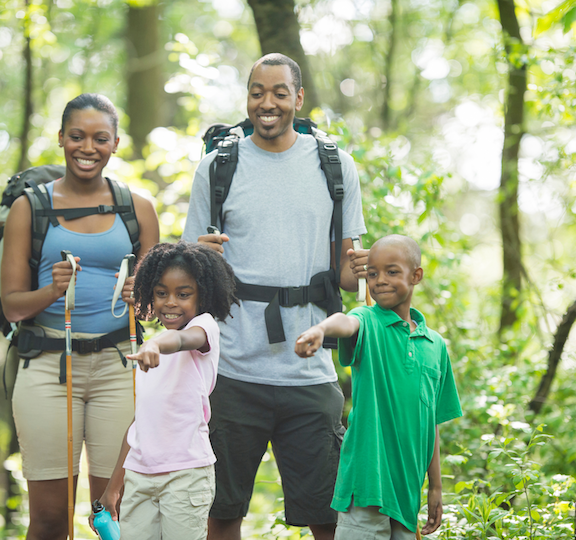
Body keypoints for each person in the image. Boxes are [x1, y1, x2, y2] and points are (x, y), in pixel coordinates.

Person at [182, 53, 368, 540]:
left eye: (279, 92)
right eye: (257, 92)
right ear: (247, 99)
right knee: (222, 514)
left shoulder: (335, 166)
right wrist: (198, 258)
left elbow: (348, 277)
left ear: (298, 98)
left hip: (310, 372)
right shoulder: (217, 166)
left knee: (326, 516)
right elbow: (187, 275)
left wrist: (366, 266)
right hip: (232, 368)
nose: (268, 103)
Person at [1, 92, 160, 540]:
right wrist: (51, 290)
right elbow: (11, 304)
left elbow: (160, 306)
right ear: (61, 139)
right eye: (77, 136)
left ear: (114, 144)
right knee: (50, 521)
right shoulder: (29, 209)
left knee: (116, 516)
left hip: (120, 366)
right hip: (48, 369)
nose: (87, 148)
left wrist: (140, 297)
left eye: (99, 138)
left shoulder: (139, 209)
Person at [294, 235, 463, 540]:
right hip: (367, 487)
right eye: (372, 274)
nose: (380, 280)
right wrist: (320, 329)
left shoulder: (435, 345)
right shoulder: (367, 320)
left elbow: (431, 422)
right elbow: (345, 322)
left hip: (408, 495)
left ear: (416, 275)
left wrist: (435, 486)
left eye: (392, 271)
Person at [91, 242, 240, 540]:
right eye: (161, 293)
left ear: (203, 295)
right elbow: (139, 427)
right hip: (140, 477)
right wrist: (112, 488)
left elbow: (184, 340)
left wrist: (155, 344)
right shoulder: (151, 352)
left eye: (183, 294)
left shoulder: (203, 328)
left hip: (186, 475)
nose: (171, 302)